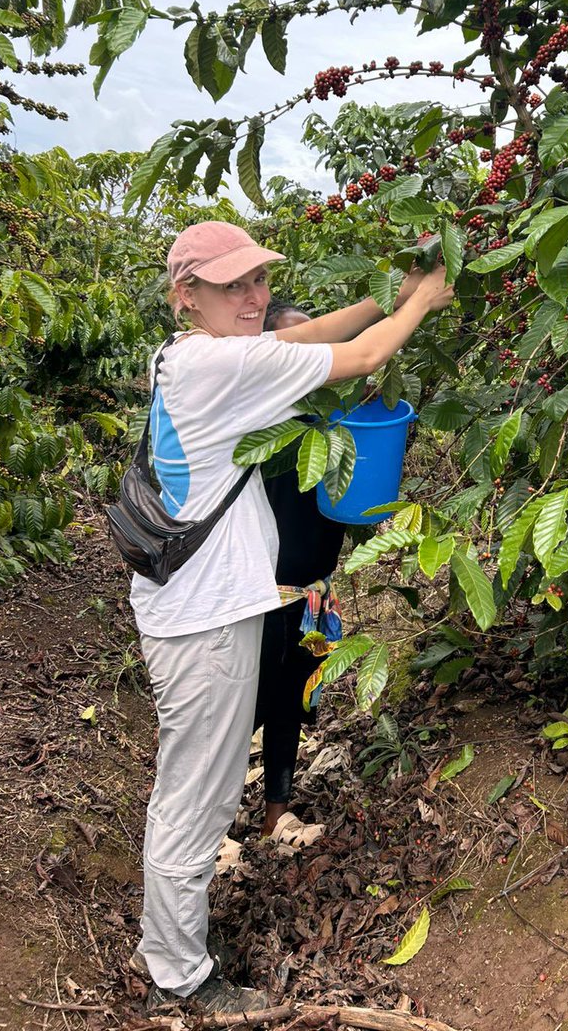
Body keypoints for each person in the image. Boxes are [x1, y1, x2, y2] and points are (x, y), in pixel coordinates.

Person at [128, 221, 453, 1015]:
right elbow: (364, 357)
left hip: (195, 608)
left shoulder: (184, 352)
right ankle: (179, 973)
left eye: (258, 279)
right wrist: (423, 303)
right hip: (202, 622)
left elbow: (303, 337)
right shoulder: (220, 364)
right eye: (230, 285)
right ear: (186, 294)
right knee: (197, 799)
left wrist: (388, 295)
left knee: (195, 788)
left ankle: (170, 943)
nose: (252, 296)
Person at [254, 300, 346, 837]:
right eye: (293, 345)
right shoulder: (258, 424)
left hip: (311, 595)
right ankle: (212, 824)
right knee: (246, 705)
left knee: (290, 701)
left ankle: (275, 815)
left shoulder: (334, 426)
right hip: (257, 596)